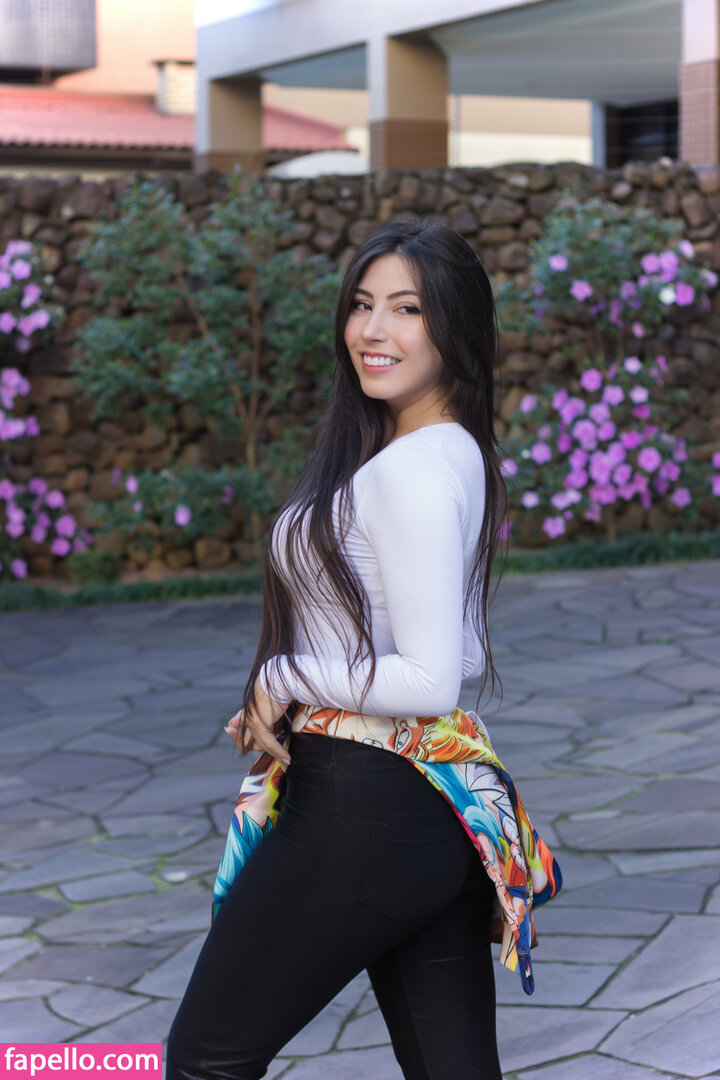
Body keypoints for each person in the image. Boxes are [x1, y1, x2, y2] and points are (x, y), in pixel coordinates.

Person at [165, 219, 562, 1080]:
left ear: (456, 326)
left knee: (204, 1059)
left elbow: (431, 675)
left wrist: (283, 674)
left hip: (362, 810)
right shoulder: (449, 453)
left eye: (408, 309)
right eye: (362, 303)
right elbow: (458, 646)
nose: (373, 330)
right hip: (426, 808)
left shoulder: (411, 469)